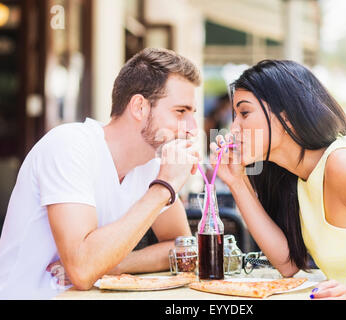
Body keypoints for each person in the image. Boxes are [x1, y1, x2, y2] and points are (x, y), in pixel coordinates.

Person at [0, 48, 201, 299]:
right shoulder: (70, 145)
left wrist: (116, 264)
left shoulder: (152, 166)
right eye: (181, 112)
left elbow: (183, 250)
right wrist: (163, 188)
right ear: (139, 107)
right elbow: (83, 271)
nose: (193, 129)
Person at [210, 59, 346, 300]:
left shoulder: (343, 165)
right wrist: (236, 183)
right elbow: (287, 265)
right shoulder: (296, 177)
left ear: (286, 114)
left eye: (244, 113)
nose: (233, 129)